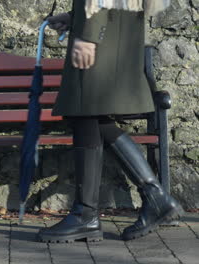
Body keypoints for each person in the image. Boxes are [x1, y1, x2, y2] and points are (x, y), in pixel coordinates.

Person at [38, 0, 183, 243]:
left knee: (85, 114)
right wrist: (76, 18)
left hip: (101, 37)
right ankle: (155, 198)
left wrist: (88, 34)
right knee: (93, 117)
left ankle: (86, 214)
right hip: (112, 35)